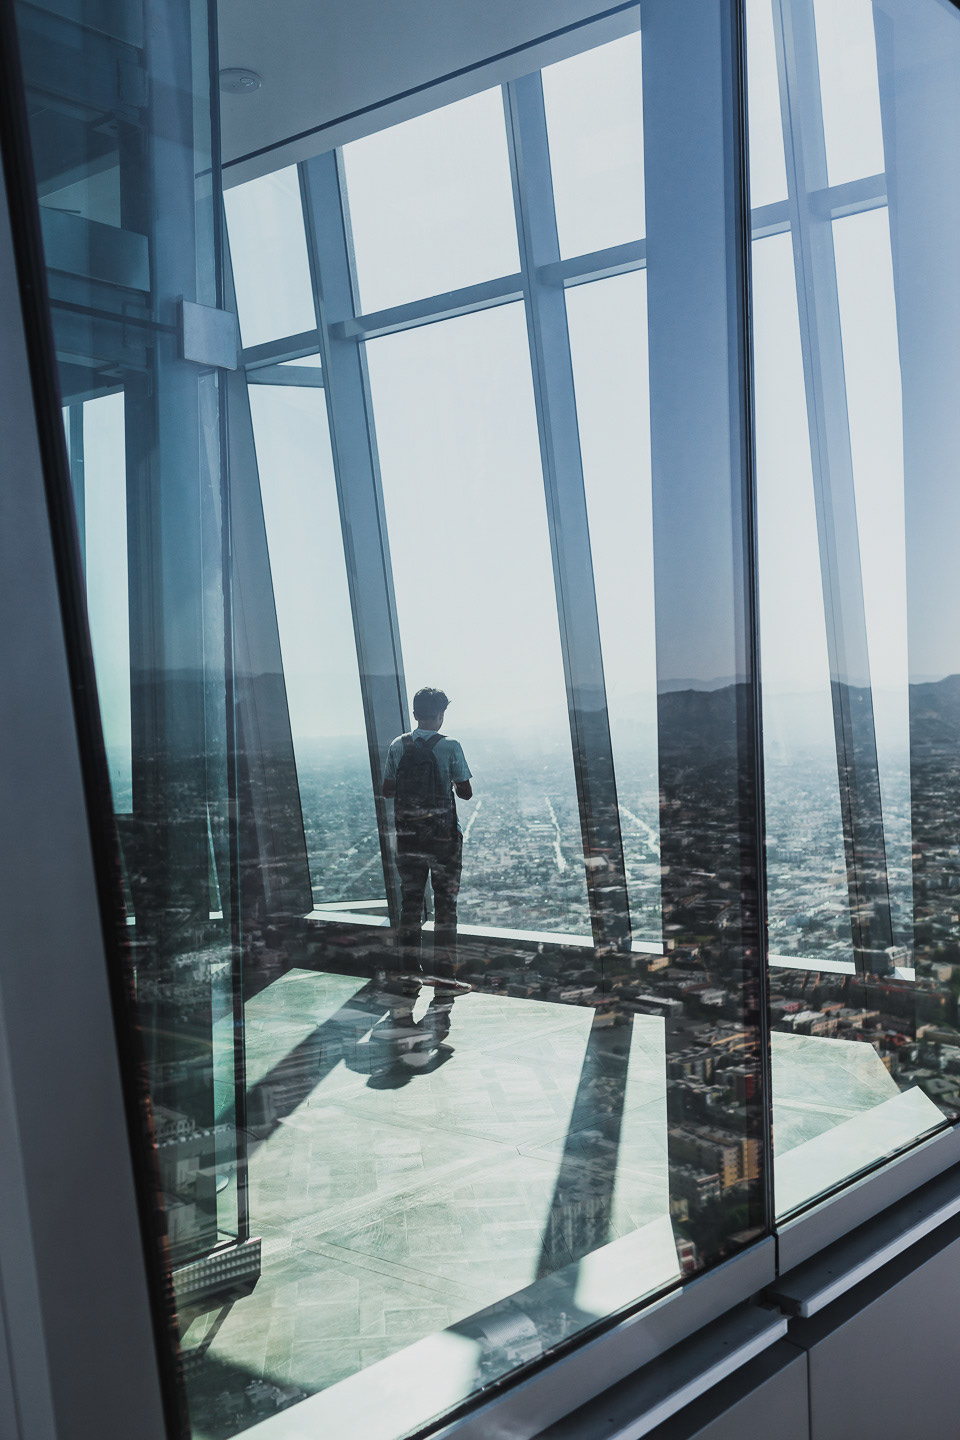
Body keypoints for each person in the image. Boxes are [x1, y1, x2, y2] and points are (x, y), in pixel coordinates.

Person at [382, 687, 472, 990]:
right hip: (443, 837)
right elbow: (466, 792)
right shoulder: (450, 746)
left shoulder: (398, 745)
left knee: (410, 904)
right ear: (441, 715)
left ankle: (410, 974)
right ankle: (445, 976)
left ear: (415, 713)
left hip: (408, 838)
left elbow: (387, 789)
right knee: (446, 906)